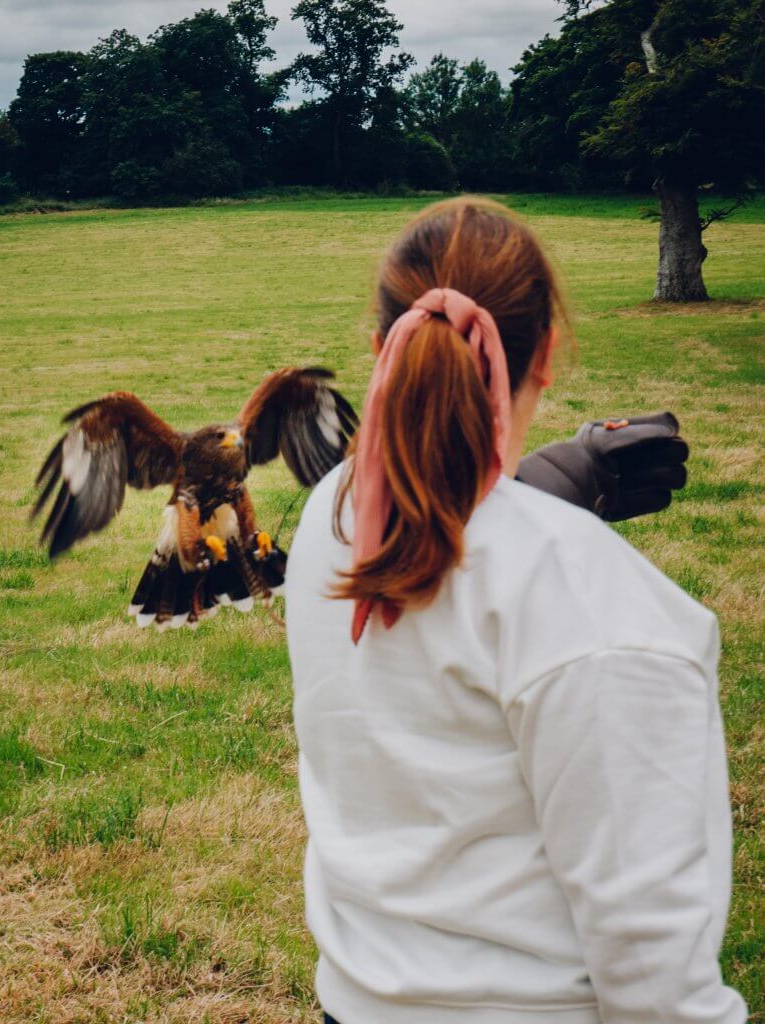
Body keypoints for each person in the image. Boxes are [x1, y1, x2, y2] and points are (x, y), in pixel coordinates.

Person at [285, 198, 746, 1024]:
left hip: (354, 1001)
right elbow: (653, 970)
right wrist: (538, 523)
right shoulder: (595, 604)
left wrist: (529, 495)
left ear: (378, 346)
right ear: (550, 352)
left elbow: (449, 564)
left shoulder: (335, 509)